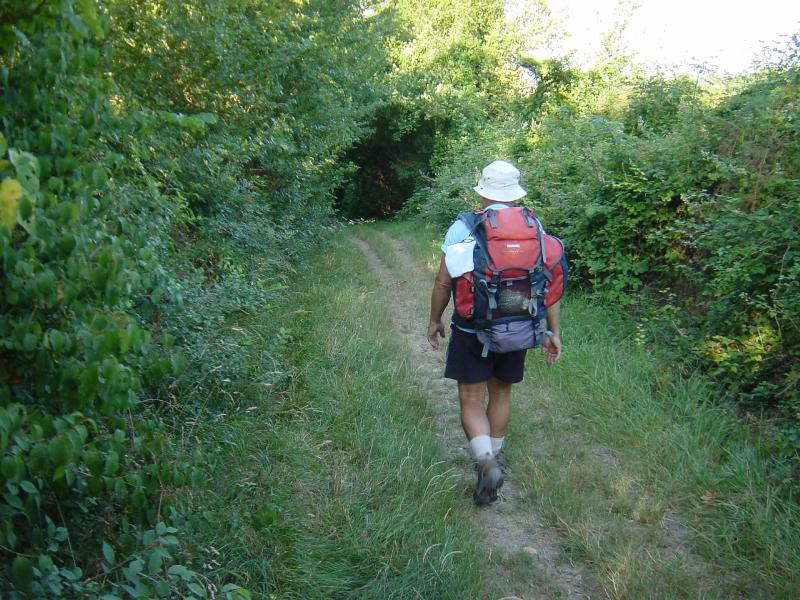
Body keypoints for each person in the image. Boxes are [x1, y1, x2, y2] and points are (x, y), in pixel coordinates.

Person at [426, 160, 562, 505]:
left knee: (471, 398)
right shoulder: (535, 226)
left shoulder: (464, 227)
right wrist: (552, 331)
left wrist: (434, 319)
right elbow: (547, 286)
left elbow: (444, 281)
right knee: (501, 394)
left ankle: (485, 461)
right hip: (518, 326)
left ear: (483, 190)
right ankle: (497, 456)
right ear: (515, 193)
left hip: (472, 328)